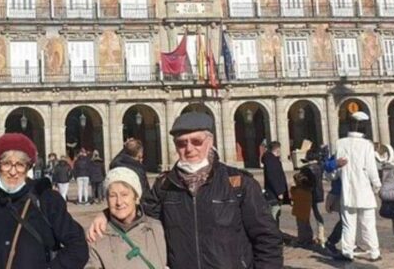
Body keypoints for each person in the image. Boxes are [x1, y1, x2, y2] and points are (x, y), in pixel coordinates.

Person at [88, 111, 282, 268]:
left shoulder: (238, 184)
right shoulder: (165, 186)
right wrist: (106, 214)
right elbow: (139, 218)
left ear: (210, 142)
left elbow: (267, 239)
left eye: (196, 141)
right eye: (182, 143)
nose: (189, 148)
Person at [0, 133, 89, 269]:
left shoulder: (46, 200)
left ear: (28, 168)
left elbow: (78, 247)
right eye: (6, 164)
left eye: (20, 165)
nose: (13, 172)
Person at [86, 167, 166, 269]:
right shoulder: (96, 237)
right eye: (112, 196)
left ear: (136, 197)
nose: (119, 202)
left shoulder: (157, 229)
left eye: (124, 194)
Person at [334, 125, 382, 262]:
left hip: (348, 191)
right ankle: (374, 252)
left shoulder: (340, 143)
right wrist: (377, 185)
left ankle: (347, 252)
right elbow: (371, 168)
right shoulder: (367, 144)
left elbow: (337, 170)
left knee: (348, 225)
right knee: (368, 224)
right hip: (365, 191)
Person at [109, 138, 151, 203]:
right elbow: (144, 191)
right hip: (132, 202)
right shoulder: (138, 169)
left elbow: (115, 160)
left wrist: (125, 148)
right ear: (139, 153)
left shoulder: (117, 164)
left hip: (119, 198)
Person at [323, 155, 348, 255]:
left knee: (350, 220)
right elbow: (327, 166)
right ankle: (331, 241)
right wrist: (336, 163)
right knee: (345, 221)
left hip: (353, 192)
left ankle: (351, 243)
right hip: (340, 193)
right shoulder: (338, 154)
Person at [301, 146, 326, 246]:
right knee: (318, 215)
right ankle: (321, 236)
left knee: (305, 215)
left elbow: (301, 180)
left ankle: (306, 236)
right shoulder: (320, 167)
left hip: (307, 193)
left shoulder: (305, 169)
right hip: (319, 193)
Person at [261, 141, 289, 228]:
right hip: (273, 193)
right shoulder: (271, 160)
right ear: (277, 149)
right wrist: (279, 191)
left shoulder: (272, 159)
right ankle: (273, 232)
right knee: (274, 213)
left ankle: (275, 231)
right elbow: (272, 177)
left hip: (274, 192)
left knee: (276, 213)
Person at [290, 170, 314, 247]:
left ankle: (301, 240)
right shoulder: (308, 191)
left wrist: (292, 187)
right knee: (307, 224)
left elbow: (292, 196)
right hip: (306, 210)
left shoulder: (297, 191)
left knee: (301, 226)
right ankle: (309, 238)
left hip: (299, 211)